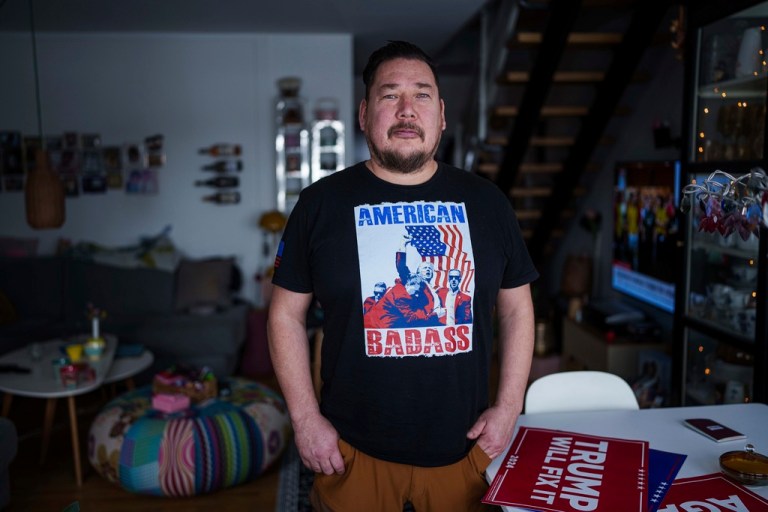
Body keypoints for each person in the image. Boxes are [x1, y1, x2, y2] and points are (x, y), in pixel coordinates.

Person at [268, 40, 538, 512]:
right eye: (390, 95)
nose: (407, 110)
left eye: (423, 95)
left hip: (464, 450)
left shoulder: (488, 202)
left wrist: (510, 405)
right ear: (364, 112)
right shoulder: (319, 204)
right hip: (352, 452)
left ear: (442, 114)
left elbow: (517, 307)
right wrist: (306, 419)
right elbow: (285, 316)